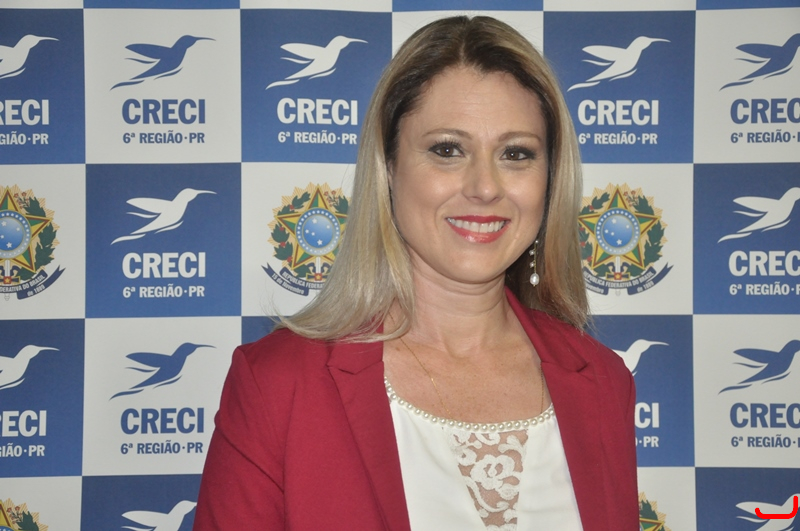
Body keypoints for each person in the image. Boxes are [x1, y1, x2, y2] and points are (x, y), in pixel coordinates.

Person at [194, 15, 638, 531]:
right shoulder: (278, 384)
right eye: (447, 150)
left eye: (516, 154)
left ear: (550, 177)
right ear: (389, 167)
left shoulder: (602, 381)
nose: (485, 187)